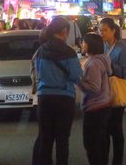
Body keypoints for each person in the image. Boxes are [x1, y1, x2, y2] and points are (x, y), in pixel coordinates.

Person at [33, 17, 83, 165]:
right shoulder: (69, 52)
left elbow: (37, 72)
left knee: (45, 138)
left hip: (44, 98)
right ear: (64, 32)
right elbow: (76, 75)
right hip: (64, 99)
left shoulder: (41, 50)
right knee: (62, 140)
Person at [99, 18, 126, 165]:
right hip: (103, 93)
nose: (102, 33)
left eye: (105, 30)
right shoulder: (103, 47)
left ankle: (117, 161)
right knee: (104, 129)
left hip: (116, 91)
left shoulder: (122, 48)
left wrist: (109, 64)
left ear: (113, 30)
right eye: (100, 30)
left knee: (116, 129)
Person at [77, 33, 112, 165]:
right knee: (100, 144)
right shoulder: (103, 59)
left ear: (90, 45)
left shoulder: (94, 63)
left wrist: (78, 80)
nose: (82, 45)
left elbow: (94, 88)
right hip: (103, 105)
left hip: (94, 108)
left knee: (91, 145)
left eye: (84, 42)